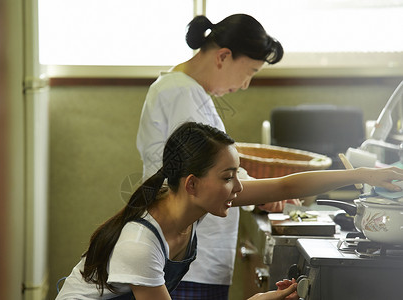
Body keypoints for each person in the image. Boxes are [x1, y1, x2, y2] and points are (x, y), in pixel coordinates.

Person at [57, 122, 403, 300]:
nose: (238, 187)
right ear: (192, 183)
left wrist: (364, 174)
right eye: (228, 177)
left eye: (236, 173)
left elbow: (285, 186)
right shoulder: (140, 244)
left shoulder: (192, 200)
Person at [136, 14, 296, 299]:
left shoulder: (188, 92)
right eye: (250, 71)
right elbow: (210, 174)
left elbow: (218, 168)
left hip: (193, 255)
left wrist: (259, 192)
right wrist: (265, 192)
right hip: (188, 258)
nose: (246, 84)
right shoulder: (181, 94)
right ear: (223, 56)